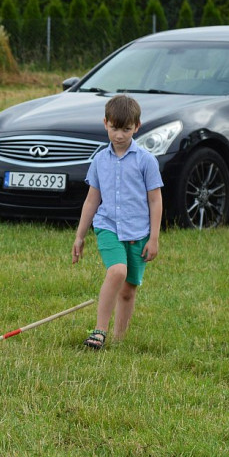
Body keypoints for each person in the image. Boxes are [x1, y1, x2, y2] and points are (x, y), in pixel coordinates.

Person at [72, 95, 163, 349]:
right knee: (117, 271)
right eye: (114, 128)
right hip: (108, 226)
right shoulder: (100, 160)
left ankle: (119, 338)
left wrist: (154, 238)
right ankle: (99, 331)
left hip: (139, 233)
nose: (120, 135)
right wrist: (80, 235)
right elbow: (92, 200)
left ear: (137, 126)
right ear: (105, 123)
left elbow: (155, 201)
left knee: (128, 289)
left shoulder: (146, 161)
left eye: (126, 129)